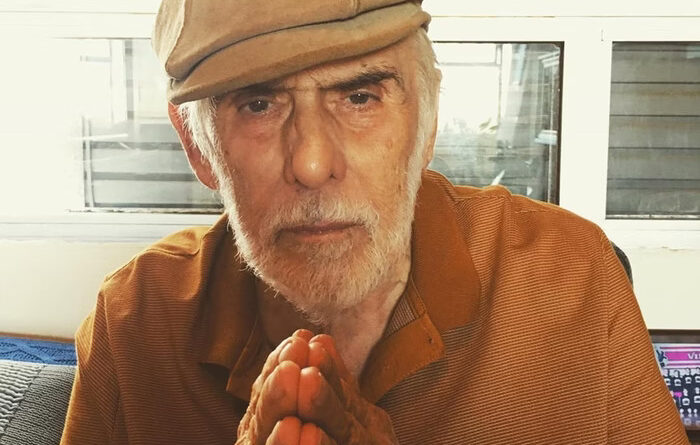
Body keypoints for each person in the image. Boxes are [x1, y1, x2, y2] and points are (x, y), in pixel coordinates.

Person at [60, 1, 689, 444]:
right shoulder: (133, 319)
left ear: (427, 122)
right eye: (258, 103)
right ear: (197, 147)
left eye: (360, 96)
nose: (312, 164)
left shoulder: (572, 273)